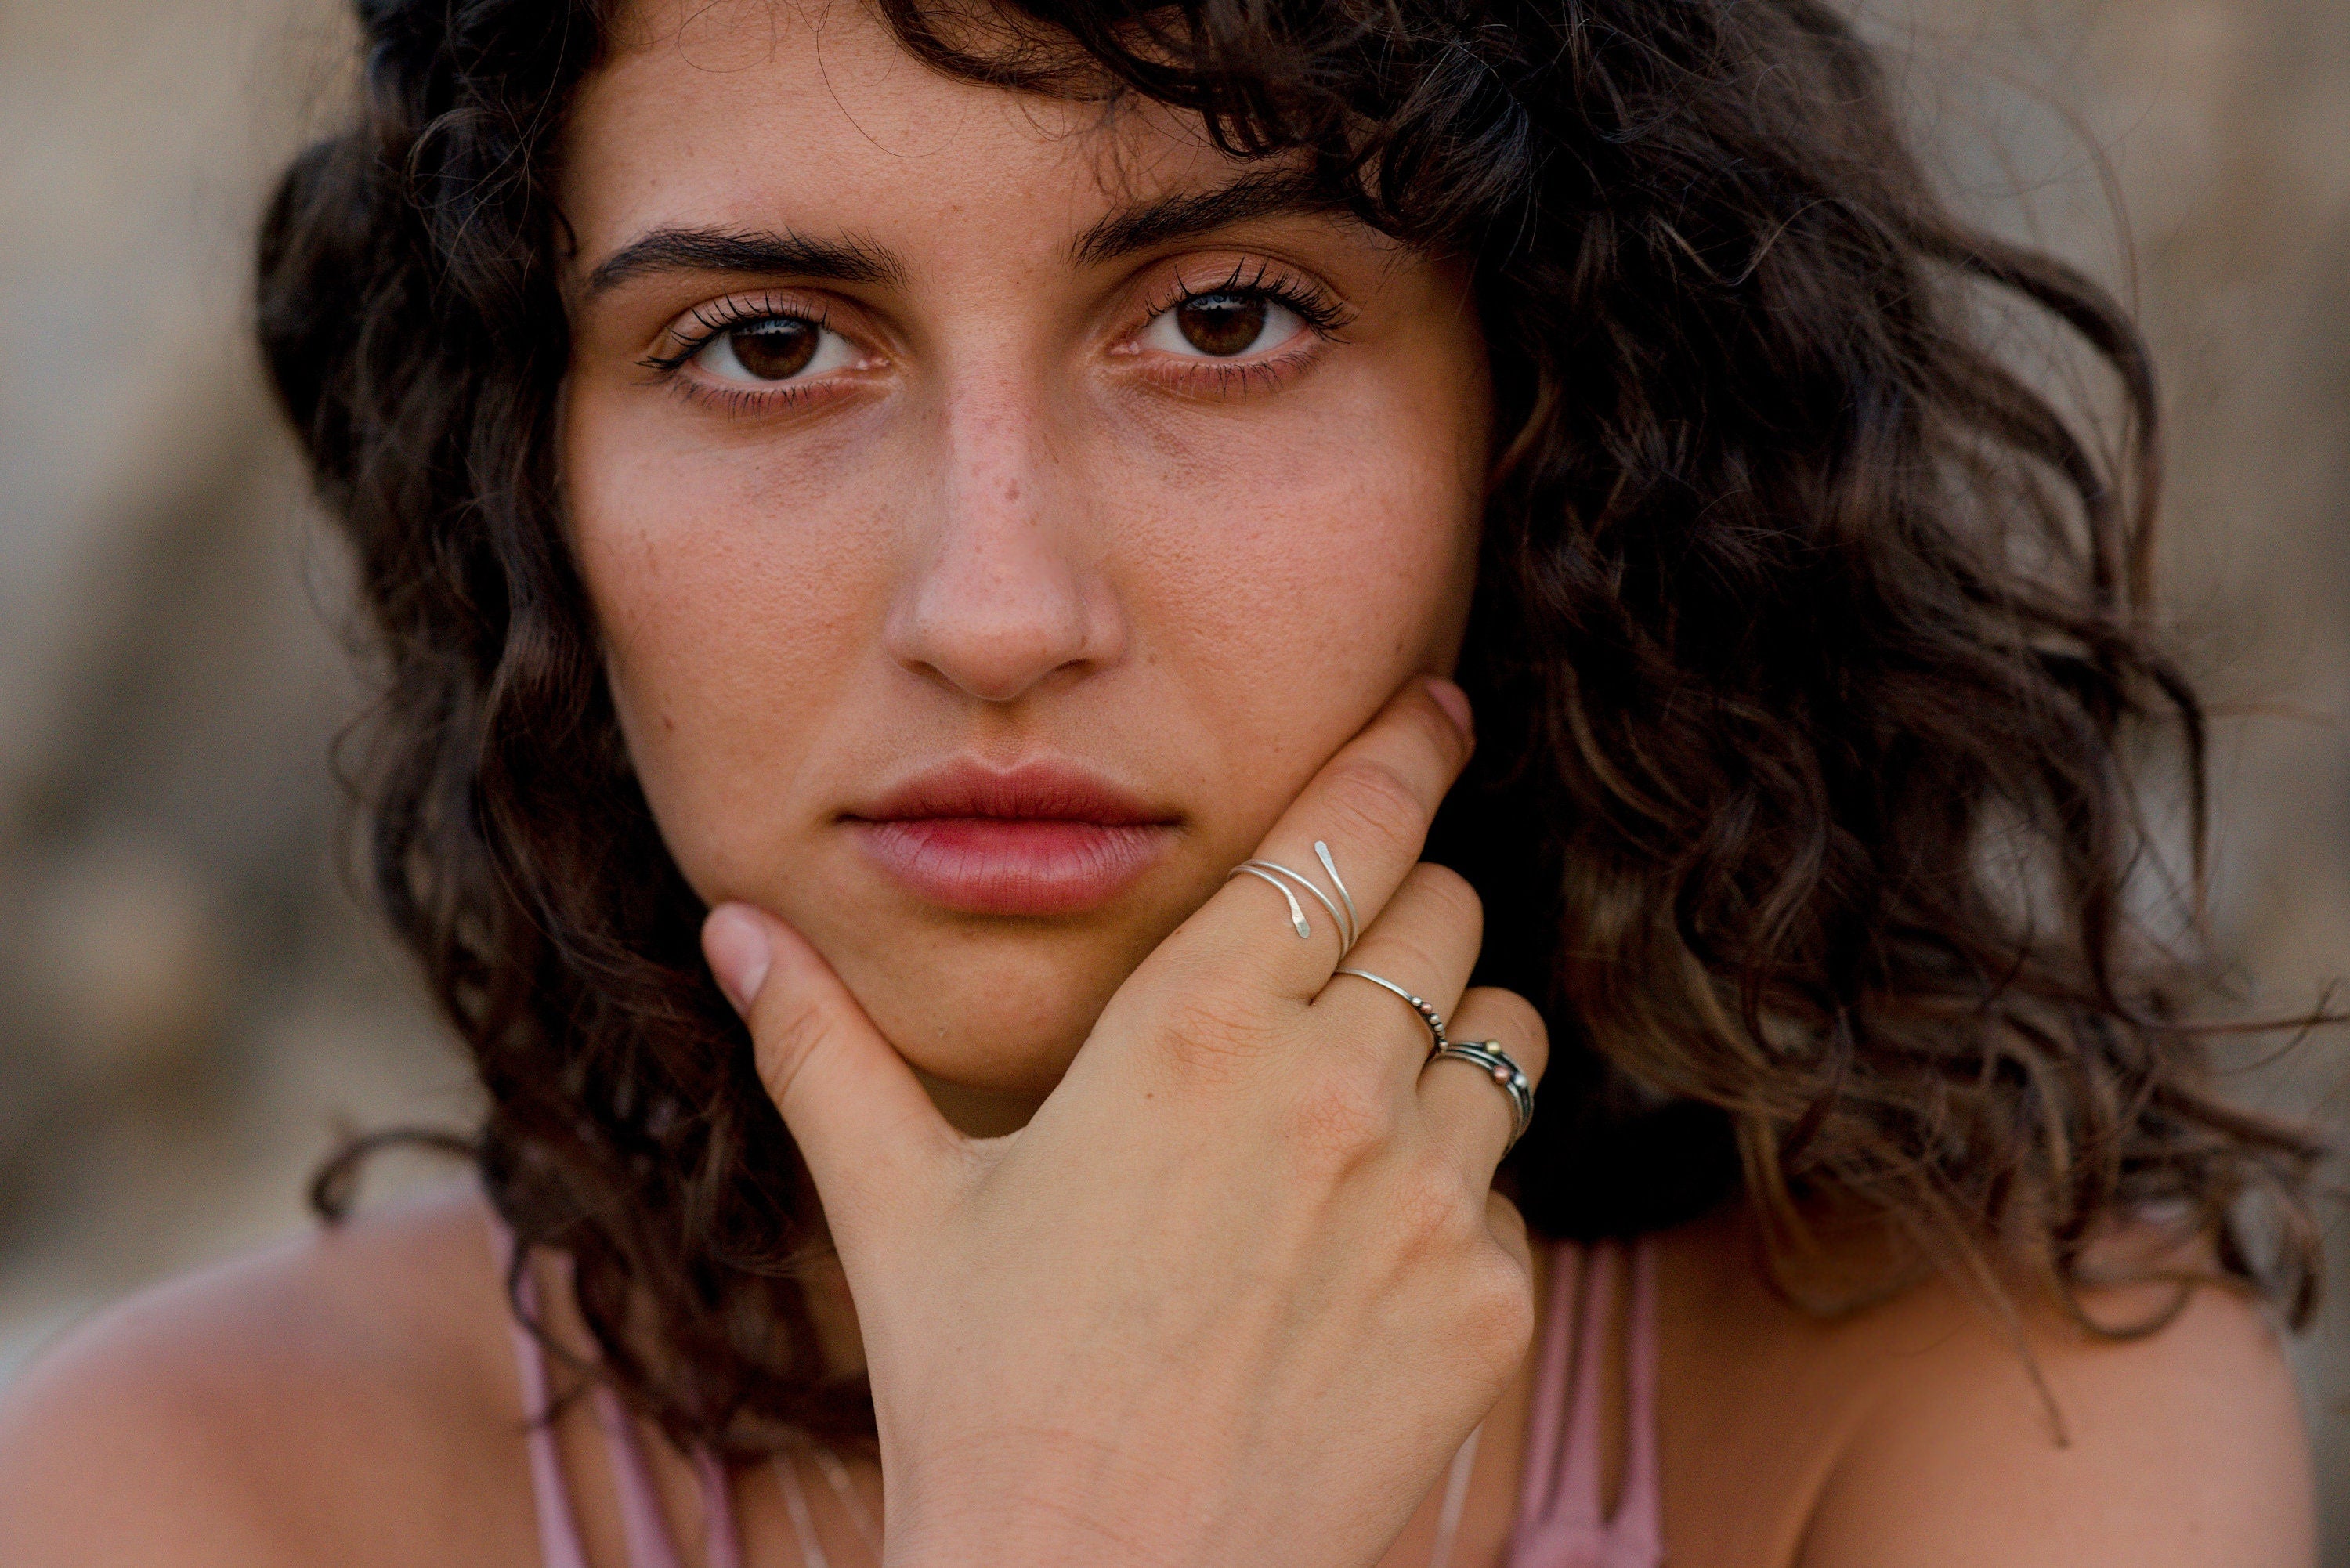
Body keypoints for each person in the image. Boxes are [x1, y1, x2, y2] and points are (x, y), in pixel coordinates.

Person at [0, 0, 2325, 1562]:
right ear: (538, 471)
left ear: (1539, 419)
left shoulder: (1970, 1418)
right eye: (770, 344)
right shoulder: (199, 1496)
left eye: (1224, 318)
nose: (997, 608)